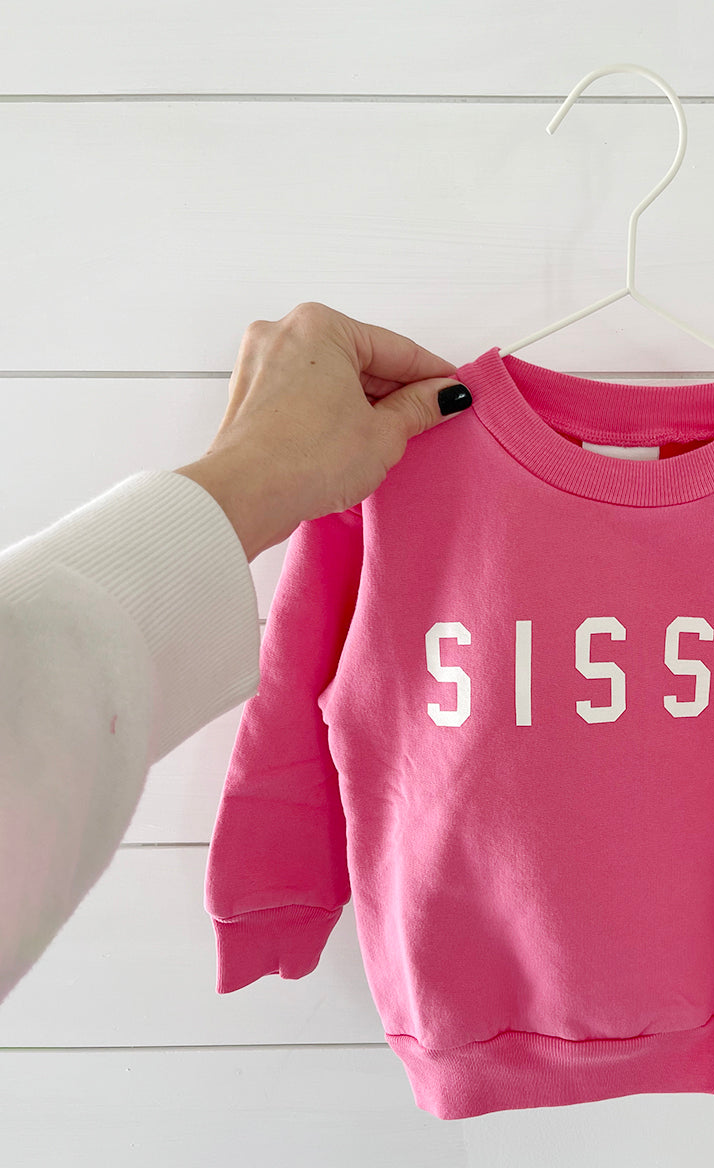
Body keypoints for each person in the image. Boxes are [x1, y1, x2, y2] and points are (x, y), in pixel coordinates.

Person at [0, 302, 473, 1005]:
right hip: (452, 1004)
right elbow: (294, 703)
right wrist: (273, 903)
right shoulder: (388, 471)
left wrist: (246, 475)